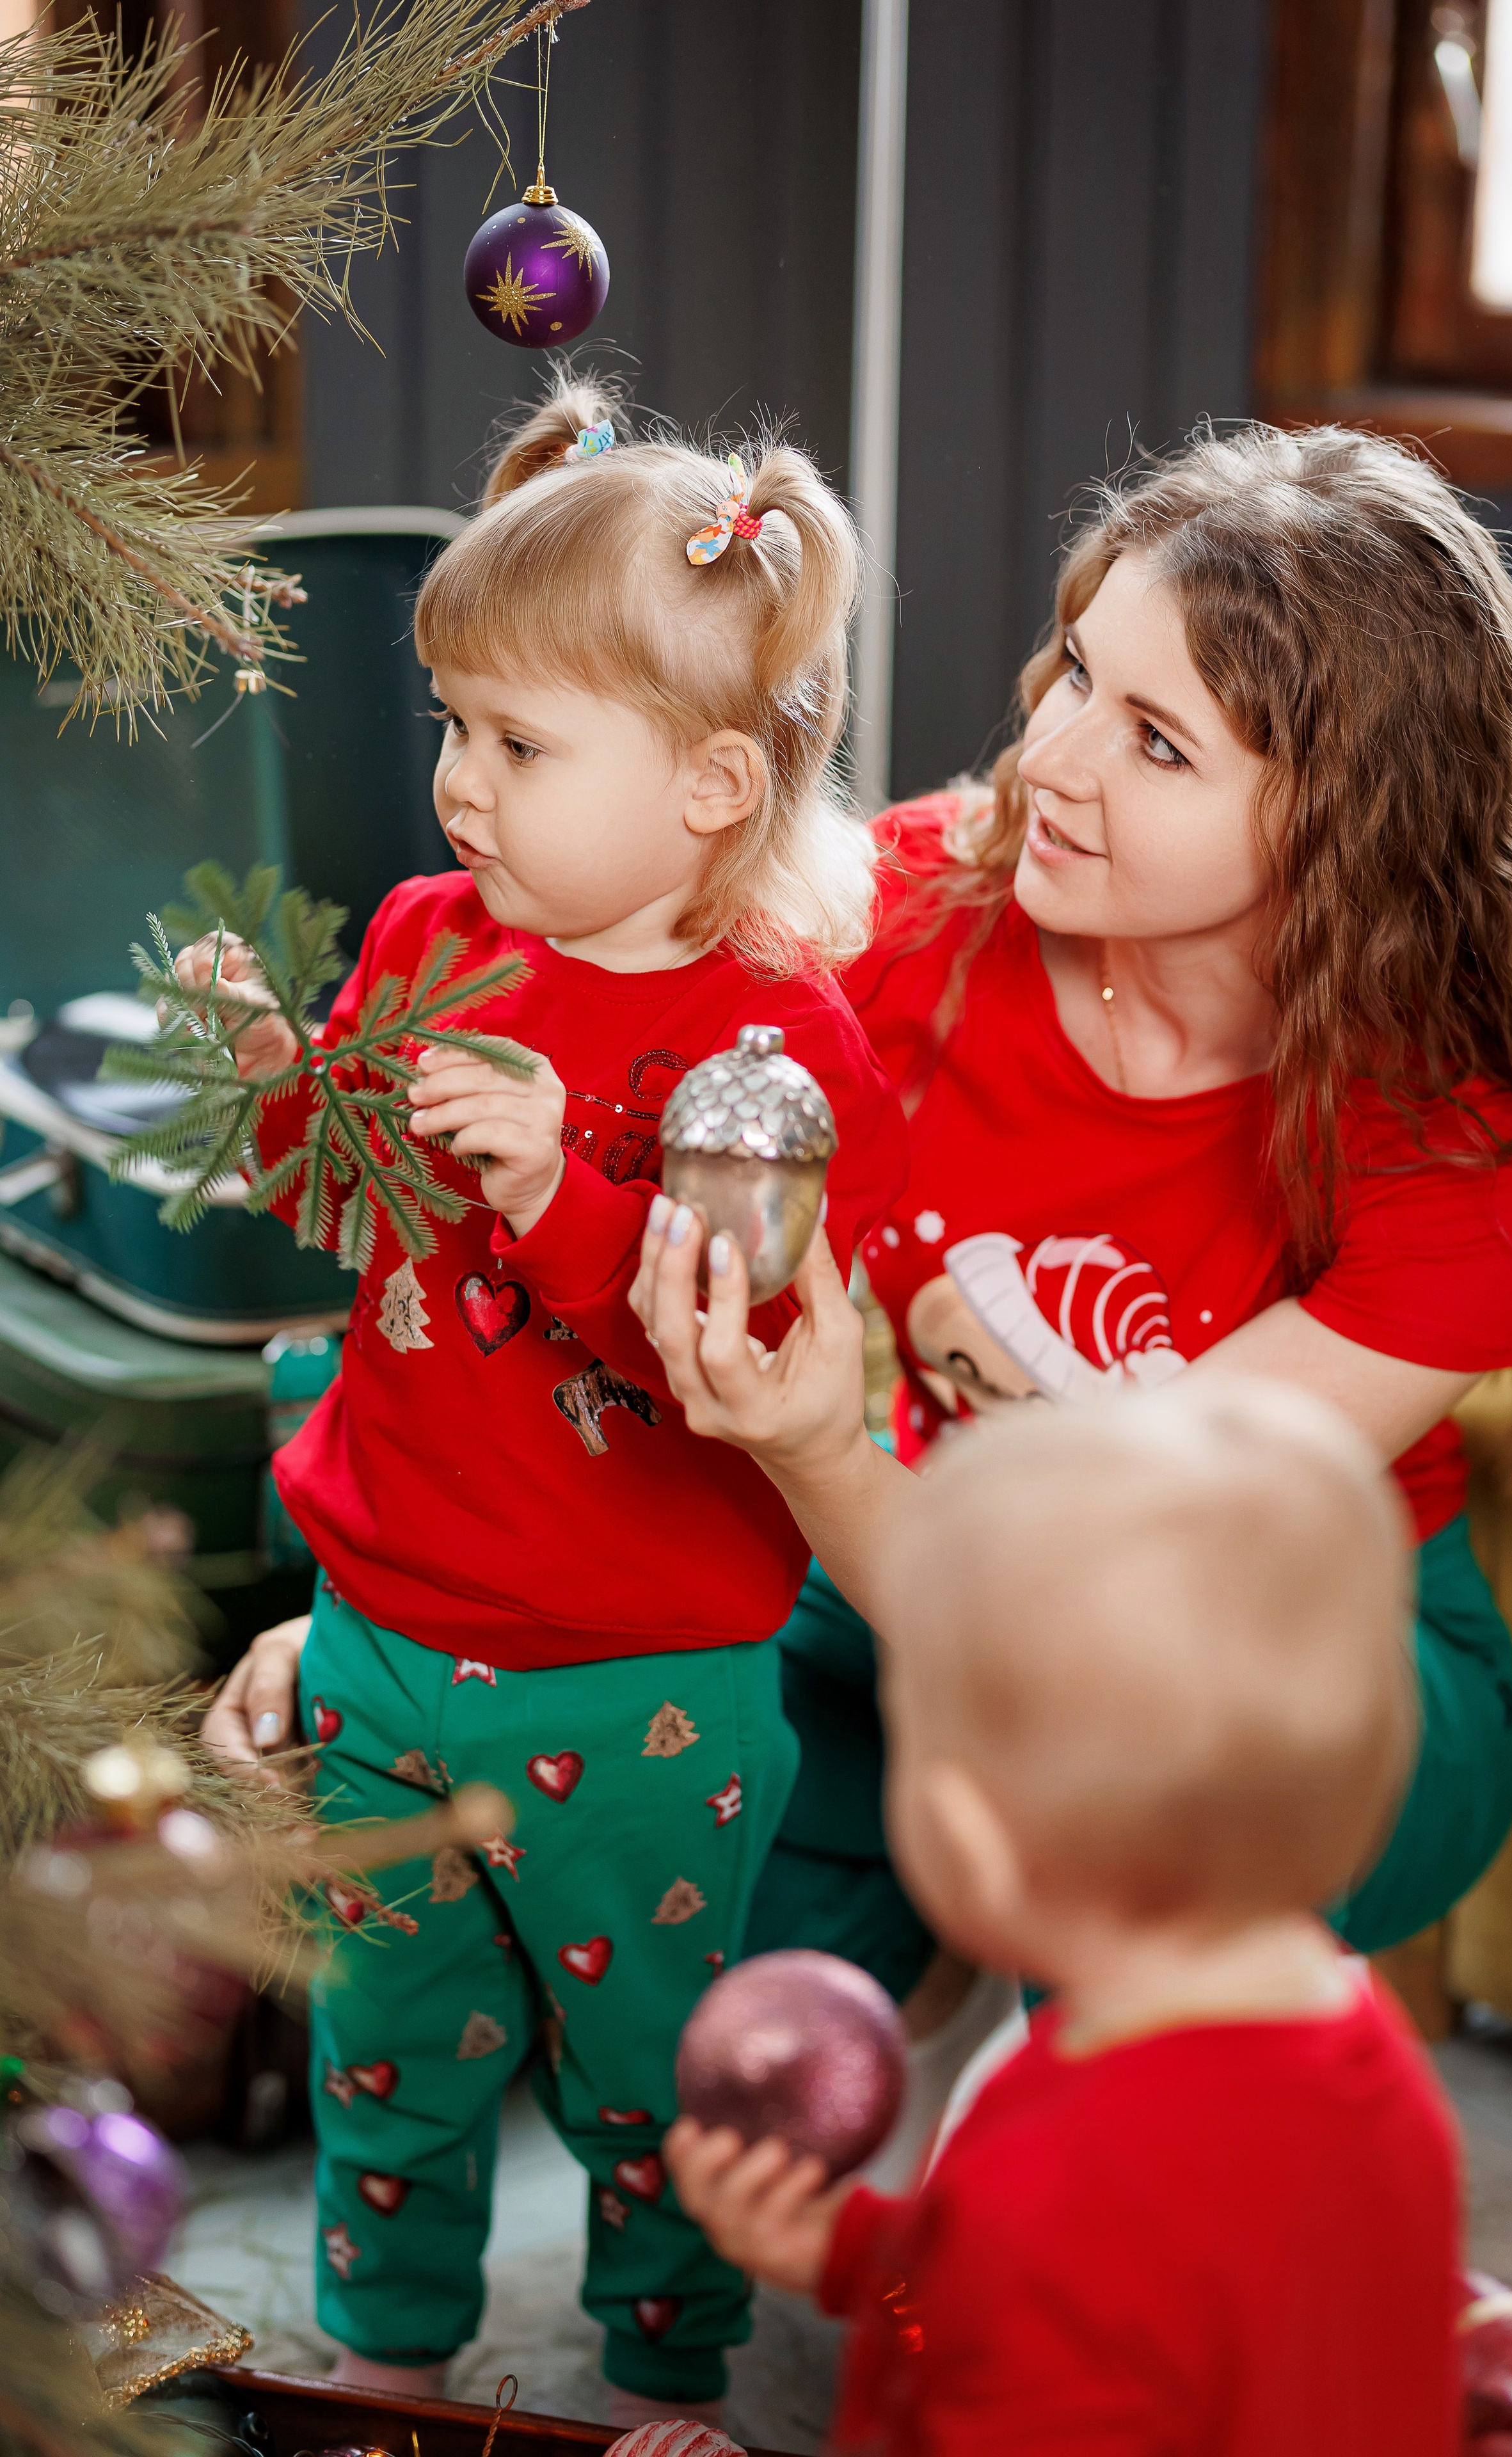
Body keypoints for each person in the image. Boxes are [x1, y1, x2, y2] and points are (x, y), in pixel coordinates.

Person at [192, 376, 905, 2426]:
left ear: (704, 787)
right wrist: (271, 1079)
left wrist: (565, 1192)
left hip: (643, 1683)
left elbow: (744, 1365)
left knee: (655, 2064)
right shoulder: (428, 935)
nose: (459, 788)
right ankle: (386, 2359)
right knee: (384, 2046)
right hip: (387, 1631)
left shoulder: (769, 1041)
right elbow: (340, 1192)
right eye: (450, 730)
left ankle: (666, 2368)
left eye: (516, 743)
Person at [708, 421, 1512, 2001]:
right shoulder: (923, 910)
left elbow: (1108, 1589)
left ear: (1339, 820)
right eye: (1075, 672)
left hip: (1300, 1661)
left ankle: (1131, 2088)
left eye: (1156, 741)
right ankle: (910, 1976)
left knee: (1117, 1759)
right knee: (702, 1745)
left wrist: (810, 1449)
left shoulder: (1459, 1167)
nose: (1049, 760)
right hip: (960, 1567)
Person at [668, 1380, 1464, 2456]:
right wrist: (859, 2257)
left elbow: (996, 2338)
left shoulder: (1049, 2167)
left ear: (972, 1842)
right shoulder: (1373, 2059)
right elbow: (1095, 2306)